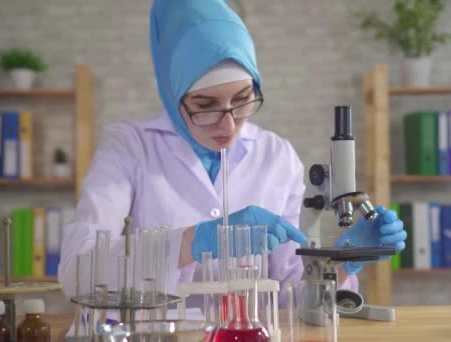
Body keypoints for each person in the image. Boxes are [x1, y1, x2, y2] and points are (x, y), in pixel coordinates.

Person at [58, 0, 406, 302]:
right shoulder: (129, 145)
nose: (228, 125)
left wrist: (345, 261)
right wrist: (194, 242)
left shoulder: (276, 155)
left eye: (242, 100)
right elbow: (77, 272)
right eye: (205, 105)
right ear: (172, 92)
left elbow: (291, 298)